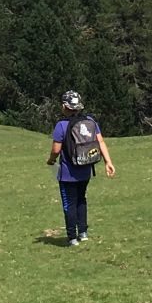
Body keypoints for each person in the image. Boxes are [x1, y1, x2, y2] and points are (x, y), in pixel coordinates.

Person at [46, 90, 116, 245]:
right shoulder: (90, 121)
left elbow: (56, 150)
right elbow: (100, 142)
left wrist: (50, 161)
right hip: (86, 169)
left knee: (69, 203)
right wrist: (108, 162)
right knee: (81, 199)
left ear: (64, 106)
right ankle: (83, 232)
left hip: (68, 173)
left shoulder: (61, 125)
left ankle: (72, 237)